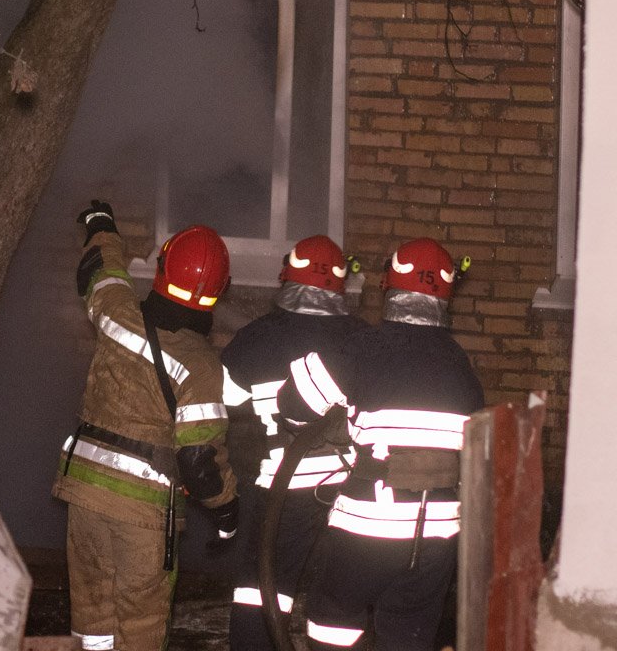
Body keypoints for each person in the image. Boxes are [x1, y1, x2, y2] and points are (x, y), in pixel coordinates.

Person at [278, 237, 485, 651]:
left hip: (370, 522)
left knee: (333, 619)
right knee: (408, 633)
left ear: (388, 289)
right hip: (441, 531)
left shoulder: (362, 348)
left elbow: (291, 406)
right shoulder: (463, 365)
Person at [53, 200, 240, 651]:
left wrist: (102, 225)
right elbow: (198, 462)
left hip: (84, 495)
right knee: (139, 628)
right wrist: (227, 509)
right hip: (142, 515)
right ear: (221, 290)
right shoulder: (200, 366)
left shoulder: (117, 313)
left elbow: (100, 272)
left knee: (93, 617)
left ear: (162, 267)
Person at [220, 235, 367, 651]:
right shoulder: (363, 339)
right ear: (339, 287)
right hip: (353, 488)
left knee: (261, 592)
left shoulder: (254, 338)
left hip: (284, 489)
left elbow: (226, 406)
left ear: (286, 278)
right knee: (342, 603)